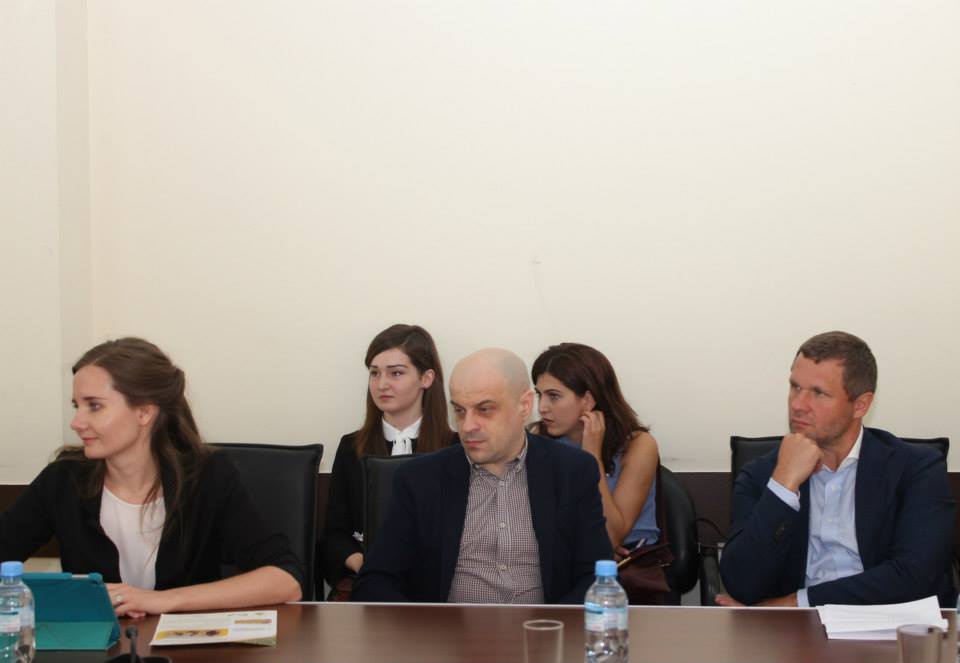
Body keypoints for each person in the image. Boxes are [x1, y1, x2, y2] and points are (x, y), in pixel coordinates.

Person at [0, 338, 303, 617]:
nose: (77, 422)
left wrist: (161, 600)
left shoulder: (207, 475)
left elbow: (286, 580)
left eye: (94, 406)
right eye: (76, 406)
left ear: (144, 412)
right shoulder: (64, 478)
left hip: (190, 647)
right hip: (99, 647)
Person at [352, 348, 612, 604]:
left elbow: (595, 577)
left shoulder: (572, 471)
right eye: (459, 411)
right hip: (447, 630)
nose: (467, 426)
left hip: (541, 629)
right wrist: (426, 628)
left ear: (524, 405)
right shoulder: (420, 480)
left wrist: (552, 627)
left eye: (485, 409)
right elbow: (375, 581)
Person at [718, 331, 955, 607]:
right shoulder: (762, 474)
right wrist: (784, 485)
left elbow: (914, 576)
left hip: (890, 624)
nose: (797, 405)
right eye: (795, 387)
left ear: (861, 405)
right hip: (792, 631)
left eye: (818, 393)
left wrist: (796, 603)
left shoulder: (916, 468)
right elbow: (741, 584)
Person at [320, 324, 453, 591]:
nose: (382, 384)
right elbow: (335, 534)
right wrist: (367, 565)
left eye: (396, 373)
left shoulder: (455, 448)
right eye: (374, 373)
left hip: (437, 587)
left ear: (426, 378)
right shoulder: (351, 447)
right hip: (368, 579)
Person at [530, 342, 660, 553]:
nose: (542, 407)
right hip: (566, 554)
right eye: (539, 395)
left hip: (632, 558)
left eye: (553, 396)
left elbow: (609, 538)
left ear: (588, 400)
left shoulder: (639, 445)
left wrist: (592, 457)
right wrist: (585, 550)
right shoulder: (538, 439)